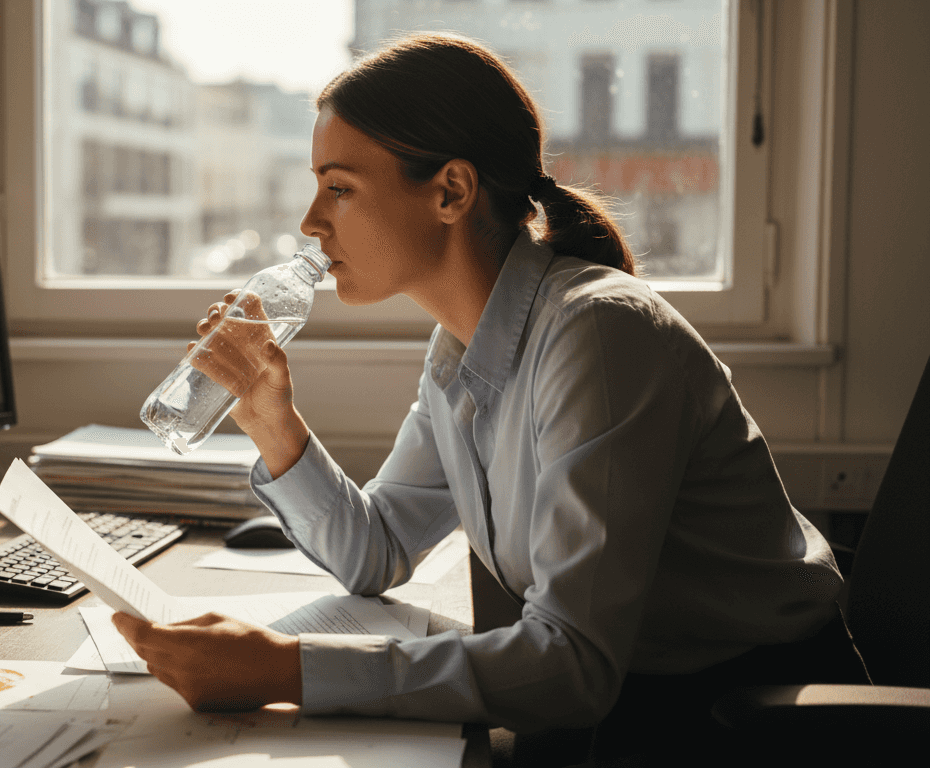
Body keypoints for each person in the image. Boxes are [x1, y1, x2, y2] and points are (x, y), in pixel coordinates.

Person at [112, 33, 866, 764]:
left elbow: (573, 666)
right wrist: (270, 419)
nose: (309, 223)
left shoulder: (599, 334)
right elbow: (374, 553)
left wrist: (285, 671)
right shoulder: (459, 352)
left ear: (451, 191)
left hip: (748, 722)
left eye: (339, 188)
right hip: (636, 704)